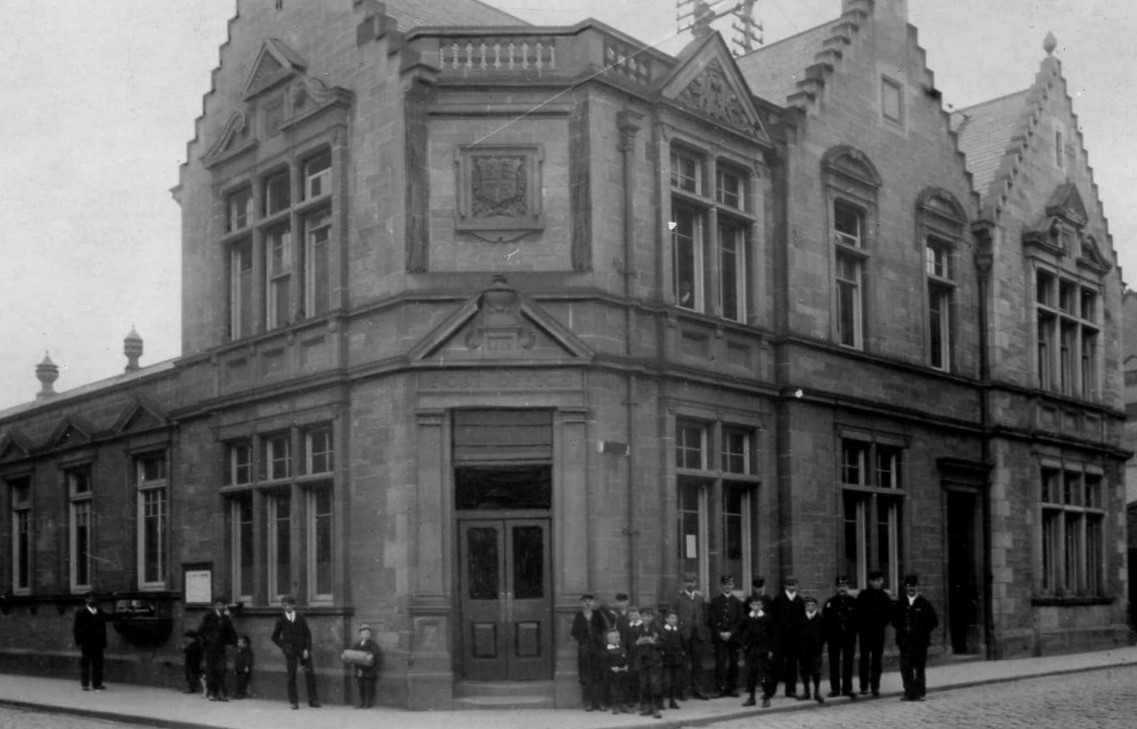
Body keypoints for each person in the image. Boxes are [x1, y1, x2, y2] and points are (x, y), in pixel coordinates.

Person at [893, 574, 939, 702]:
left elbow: (934, 621)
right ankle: (909, 693)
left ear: (917, 587)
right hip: (905, 642)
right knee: (906, 668)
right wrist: (903, 630)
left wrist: (923, 632)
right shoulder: (900, 603)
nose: (911, 588)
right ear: (905, 587)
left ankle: (920, 693)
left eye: (913, 586)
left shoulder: (924, 603)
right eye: (908, 586)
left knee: (919, 668)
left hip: (920, 643)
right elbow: (894, 620)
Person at [271, 595, 321, 709]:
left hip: (303, 650)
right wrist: (284, 646)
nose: (285, 607)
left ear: (293, 605)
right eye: (283, 605)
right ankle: (293, 702)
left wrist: (307, 649)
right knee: (291, 675)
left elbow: (308, 634)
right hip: (290, 651)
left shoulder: (300, 618)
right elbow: (274, 637)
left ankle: (313, 701)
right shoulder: (281, 620)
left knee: (310, 674)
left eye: (287, 605)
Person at [855, 570, 893, 696]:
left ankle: (875, 686)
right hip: (865, 632)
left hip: (878, 632)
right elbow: (858, 612)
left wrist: (880, 624)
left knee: (877, 660)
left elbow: (888, 614)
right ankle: (864, 686)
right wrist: (863, 626)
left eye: (879, 580)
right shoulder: (863, 595)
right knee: (864, 659)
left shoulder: (885, 596)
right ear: (870, 582)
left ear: (882, 581)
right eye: (874, 580)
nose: (876, 583)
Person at [674, 573, 710, 700]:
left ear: (696, 583)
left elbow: (705, 615)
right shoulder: (678, 598)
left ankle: (698, 690)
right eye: (687, 582)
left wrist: (702, 629)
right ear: (684, 583)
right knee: (683, 664)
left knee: (698, 664)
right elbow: (673, 616)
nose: (690, 584)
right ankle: (682, 690)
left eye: (692, 581)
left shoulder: (700, 598)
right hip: (684, 635)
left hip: (698, 634)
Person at [822, 575, 858, 699]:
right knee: (834, 663)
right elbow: (825, 620)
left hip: (849, 637)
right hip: (834, 637)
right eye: (840, 586)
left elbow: (858, 620)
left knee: (848, 663)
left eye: (844, 586)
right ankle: (835, 689)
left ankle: (847, 688)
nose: (842, 588)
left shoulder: (854, 602)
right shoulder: (830, 602)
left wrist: (853, 632)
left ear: (848, 587)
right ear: (836, 588)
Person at [770, 576, 806, 698]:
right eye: (789, 585)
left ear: (797, 586)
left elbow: (802, 621)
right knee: (776, 664)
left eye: (794, 584)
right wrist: (775, 637)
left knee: (792, 665)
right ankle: (771, 690)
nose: (791, 587)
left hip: (794, 640)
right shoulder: (778, 600)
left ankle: (790, 689)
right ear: (785, 586)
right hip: (780, 639)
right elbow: (773, 620)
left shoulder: (800, 601)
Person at [570, 593, 607, 711]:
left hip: (597, 647)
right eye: (585, 601)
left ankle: (600, 702)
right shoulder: (579, 616)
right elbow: (574, 632)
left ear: (593, 603)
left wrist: (597, 638)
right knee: (586, 675)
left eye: (589, 601)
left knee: (599, 674)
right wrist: (583, 640)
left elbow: (604, 628)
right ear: (581, 603)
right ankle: (588, 702)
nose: (587, 603)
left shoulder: (598, 615)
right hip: (585, 647)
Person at [708, 574, 743, 697]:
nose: (728, 586)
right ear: (721, 585)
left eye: (730, 584)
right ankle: (720, 688)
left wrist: (731, 632)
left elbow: (740, 620)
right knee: (720, 662)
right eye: (725, 584)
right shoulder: (715, 601)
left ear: (733, 586)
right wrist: (720, 633)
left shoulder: (738, 602)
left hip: (733, 638)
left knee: (734, 662)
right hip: (720, 637)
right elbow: (711, 620)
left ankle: (732, 688)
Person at [738, 594, 774, 708]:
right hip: (750, 651)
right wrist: (743, 649)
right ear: (750, 605)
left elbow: (772, 635)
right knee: (751, 675)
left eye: (758, 604)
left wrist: (770, 650)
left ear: (762, 606)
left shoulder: (767, 618)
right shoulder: (746, 618)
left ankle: (766, 698)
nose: (756, 607)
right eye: (753, 604)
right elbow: (742, 634)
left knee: (764, 676)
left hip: (763, 651)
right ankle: (751, 697)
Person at [198, 598, 237, 701]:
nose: (219, 607)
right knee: (211, 670)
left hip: (220, 647)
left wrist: (234, 643)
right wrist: (207, 641)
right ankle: (212, 693)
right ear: (215, 606)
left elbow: (230, 631)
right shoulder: (209, 616)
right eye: (217, 605)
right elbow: (201, 631)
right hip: (211, 648)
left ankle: (222, 693)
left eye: (221, 605)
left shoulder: (225, 618)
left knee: (221, 669)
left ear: (224, 606)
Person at [633, 606, 664, 718]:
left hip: (654, 660)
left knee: (655, 684)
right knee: (644, 684)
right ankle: (646, 707)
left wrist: (653, 642)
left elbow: (664, 643)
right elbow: (632, 645)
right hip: (642, 660)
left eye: (648, 616)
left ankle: (656, 707)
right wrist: (638, 643)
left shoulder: (658, 628)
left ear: (652, 617)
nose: (646, 618)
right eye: (644, 616)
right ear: (640, 617)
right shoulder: (637, 628)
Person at [72, 592, 107, 691]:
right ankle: (85, 684)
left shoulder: (99, 612)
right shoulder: (81, 612)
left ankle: (97, 684)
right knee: (85, 664)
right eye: (90, 599)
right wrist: (78, 642)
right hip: (86, 643)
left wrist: (104, 642)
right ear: (86, 600)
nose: (92, 601)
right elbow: (76, 629)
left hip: (98, 643)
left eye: (94, 599)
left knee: (98, 664)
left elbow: (103, 628)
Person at [797, 596, 825, 703]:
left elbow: (824, 634)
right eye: (808, 605)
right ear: (805, 607)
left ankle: (817, 692)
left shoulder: (820, 618)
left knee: (816, 671)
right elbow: (797, 633)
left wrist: (819, 644)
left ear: (816, 606)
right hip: (803, 650)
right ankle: (806, 692)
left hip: (816, 650)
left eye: (812, 605)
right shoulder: (800, 619)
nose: (810, 607)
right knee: (804, 671)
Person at [348, 624, 381, 709]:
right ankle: (362, 702)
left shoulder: (372, 644)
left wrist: (371, 655)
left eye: (367, 633)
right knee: (361, 686)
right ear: (360, 634)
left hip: (369, 670)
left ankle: (368, 703)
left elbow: (376, 652)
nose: (365, 635)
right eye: (363, 633)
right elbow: (353, 653)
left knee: (368, 687)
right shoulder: (357, 644)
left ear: (369, 635)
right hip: (359, 669)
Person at [659, 611, 685, 710]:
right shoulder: (663, 630)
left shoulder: (678, 630)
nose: (674, 620)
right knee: (666, 681)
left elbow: (682, 642)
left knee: (675, 681)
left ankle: (672, 701)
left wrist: (681, 652)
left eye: (675, 618)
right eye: (671, 618)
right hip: (666, 660)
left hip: (676, 659)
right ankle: (660, 701)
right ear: (666, 620)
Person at [619, 606, 643, 712]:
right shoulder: (626, 626)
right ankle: (632, 700)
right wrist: (624, 653)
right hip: (631, 656)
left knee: (642, 678)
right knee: (632, 678)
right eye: (631, 615)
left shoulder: (643, 625)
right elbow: (623, 641)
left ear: (639, 615)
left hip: (643, 655)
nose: (634, 617)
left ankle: (642, 701)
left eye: (635, 614)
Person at [602, 629, 629, 714]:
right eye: (616, 637)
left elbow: (627, 657)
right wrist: (611, 667)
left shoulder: (621, 647)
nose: (618, 639)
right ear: (609, 639)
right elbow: (603, 663)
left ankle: (623, 705)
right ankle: (615, 706)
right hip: (612, 674)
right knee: (614, 690)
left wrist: (626, 665)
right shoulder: (606, 650)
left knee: (624, 688)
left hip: (623, 672)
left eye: (619, 637)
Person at [181, 630, 203, 695]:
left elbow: (191, 652)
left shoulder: (195, 645)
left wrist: (185, 648)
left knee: (192, 675)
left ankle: (192, 688)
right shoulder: (191, 645)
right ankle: (190, 687)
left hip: (193, 662)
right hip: (189, 662)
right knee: (189, 675)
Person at [233, 634, 254, 699]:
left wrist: (247, 666)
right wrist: (235, 669)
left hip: (244, 670)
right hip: (238, 669)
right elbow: (236, 660)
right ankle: (237, 693)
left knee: (243, 683)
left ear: (245, 644)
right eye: (238, 642)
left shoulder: (248, 651)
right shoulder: (238, 651)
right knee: (238, 682)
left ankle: (241, 694)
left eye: (240, 642)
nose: (238, 644)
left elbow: (249, 659)